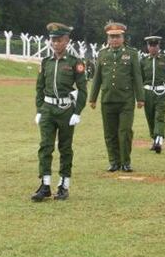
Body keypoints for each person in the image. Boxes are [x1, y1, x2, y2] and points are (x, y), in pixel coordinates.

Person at [32, 22, 88, 201]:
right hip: (48, 109)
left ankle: (63, 185)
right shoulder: (46, 62)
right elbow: (39, 88)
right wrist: (40, 109)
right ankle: (45, 184)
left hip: (65, 110)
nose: (55, 44)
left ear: (67, 41)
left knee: (65, 148)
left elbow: (82, 89)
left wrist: (77, 112)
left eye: (59, 40)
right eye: (53, 40)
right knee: (45, 146)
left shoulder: (74, 62)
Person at [89, 22, 144, 172]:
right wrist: (92, 98)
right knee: (110, 133)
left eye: (117, 37)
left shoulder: (131, 54)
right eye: (111, 37)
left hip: (126, 100)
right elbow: (97, 78)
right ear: (108, 38)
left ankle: (125, 162)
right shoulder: (102, 54)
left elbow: (137, 76)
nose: (114, 40)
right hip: (107, 99)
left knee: (125, 132)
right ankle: (114, 161)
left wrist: (140, 98)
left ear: (123, 38)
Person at [141, 36, 165, 153]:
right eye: (151, 46)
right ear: (147, 47)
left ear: (158, 46)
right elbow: (140, 79)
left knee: (159, 116)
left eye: (155, 46)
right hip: (147, 93)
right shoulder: (143, 61)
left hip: (160, 93)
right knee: (150, 117)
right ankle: (155, 138)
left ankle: (159, 140)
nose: (153, 48)